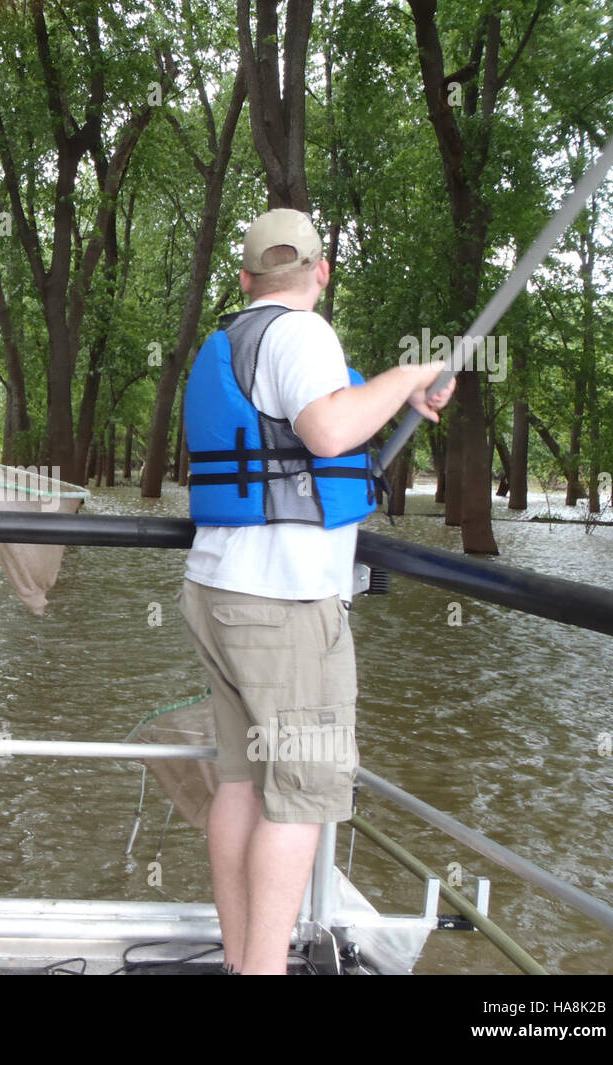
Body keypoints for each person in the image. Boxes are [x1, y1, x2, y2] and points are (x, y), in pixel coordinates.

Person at [178, 208, 455, 975]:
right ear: (321, 271)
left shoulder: (235, 338)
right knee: (300, 797)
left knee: (242, 780)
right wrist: (407, 376)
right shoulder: (303, 334)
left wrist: (400, 399)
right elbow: (329, 431)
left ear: (244, 278)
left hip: (220, 589)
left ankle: (245, 964)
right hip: (283, 604)